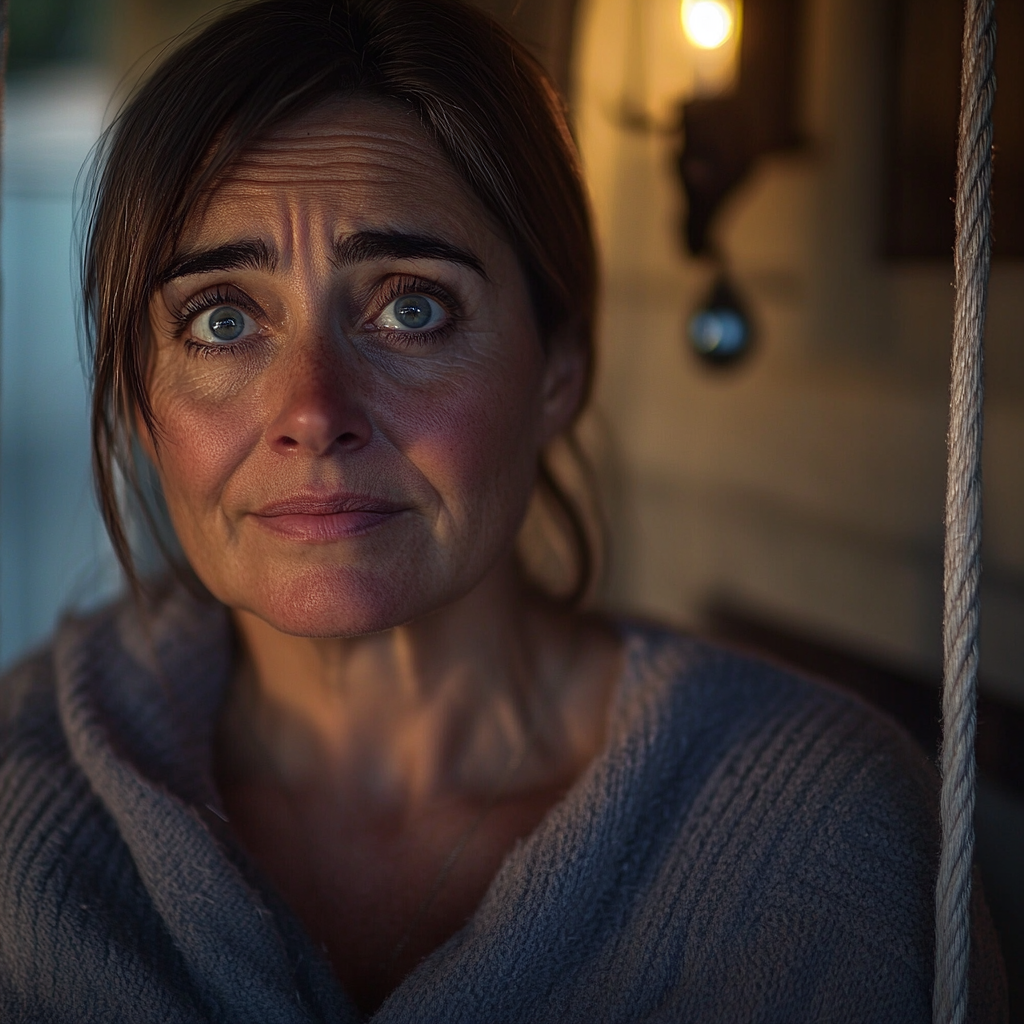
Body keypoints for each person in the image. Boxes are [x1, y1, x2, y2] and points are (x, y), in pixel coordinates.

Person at [0, 0, 1007, 1020]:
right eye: (223, 320)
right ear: (139, 395)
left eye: (411, 307)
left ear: (558, 371)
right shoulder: (22, 795)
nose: (311, 413)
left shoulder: (829, 845)